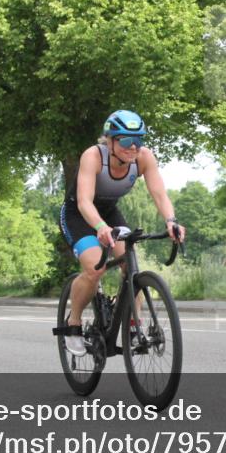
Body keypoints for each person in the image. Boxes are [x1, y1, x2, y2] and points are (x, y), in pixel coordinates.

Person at [58, 110, 185, 356]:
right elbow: (84, 202)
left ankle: (131, 323)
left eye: (139, 140)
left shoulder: (144, 158)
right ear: (110, 140)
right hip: (79, 214)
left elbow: (159, 194)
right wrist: (99, 227)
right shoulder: (93, 156)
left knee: (130, 264)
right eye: (126, 140)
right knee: (96, 268)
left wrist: (171, 221)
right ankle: (73, 323)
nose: (133, 147)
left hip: (109, 212)